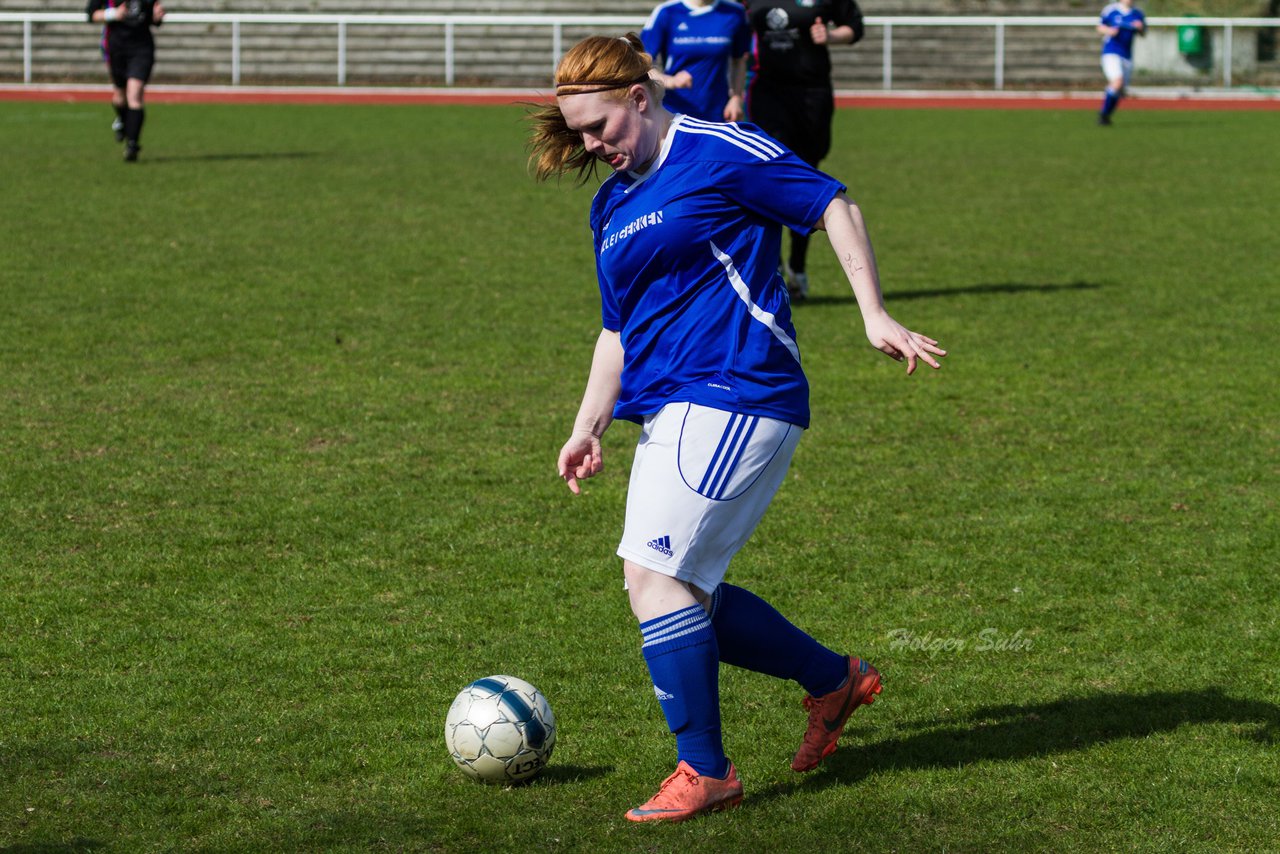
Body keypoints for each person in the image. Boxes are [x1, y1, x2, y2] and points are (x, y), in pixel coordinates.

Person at [528, 34, 944, 823]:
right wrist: (588, 426)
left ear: (639, 99)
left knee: (653, 578)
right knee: (675, 586)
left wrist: (873, 313)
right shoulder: (609, 204)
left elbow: (831, 202)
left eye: (600, 128)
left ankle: (705, 770)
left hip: (739, 391)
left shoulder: (716, 149)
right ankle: (833, 680)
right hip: (671, 408)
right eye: (578, 133)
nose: (590, 146)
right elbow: (616, 332)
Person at [743, 0, 864, 301]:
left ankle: (798, 266)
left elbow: (855, 26)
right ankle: (771, 264)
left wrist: (832, 36)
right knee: (768, 178)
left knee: (806, 177)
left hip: (813, 95)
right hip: (766, 93)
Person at [640, 0, 752, 122]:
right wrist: (671, 81)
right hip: (674, 112)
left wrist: (736, 97)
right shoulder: (667, 12)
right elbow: (641, 65)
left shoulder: (735, 12)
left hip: (717, 113)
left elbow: (739, 60)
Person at [86, 0, 166, 162]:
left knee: (135, 94)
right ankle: (123, 120)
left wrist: (157, 16)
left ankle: (132, 144)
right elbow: (91, 14)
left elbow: (153, 18)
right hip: (116, 48)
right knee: (119, 97)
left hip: (141, 49)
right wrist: (113, 14)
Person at [1096, 0, 1145, 126]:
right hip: (1111, 52)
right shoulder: (1111, 10)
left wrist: (1140, 28)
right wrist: (1109, 31)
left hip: (1126, 56)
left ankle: (1106, 115)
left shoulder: (1138, 13)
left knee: (1120, 90)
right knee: (1118, 82)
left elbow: (1143, 33)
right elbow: (1100, 27)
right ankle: (1102, 114)